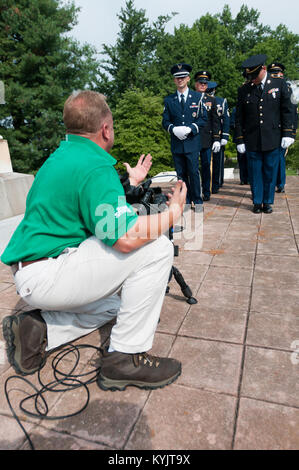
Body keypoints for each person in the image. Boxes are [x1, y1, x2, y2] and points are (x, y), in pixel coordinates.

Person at [1, 90, 187, 392]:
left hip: (33, 271)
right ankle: (125, 358)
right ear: (106, 128)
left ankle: (37, 331)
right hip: (49, 273)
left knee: (117, 305)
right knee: (157, 246)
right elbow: (125, 238)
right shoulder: (95, 165)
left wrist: (130, 184)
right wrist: (174, 211)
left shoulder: (61, 155)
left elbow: (94, 211)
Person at [235, 54, 294, 213]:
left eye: (255, 75)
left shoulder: (279, 84)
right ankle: (257, 201)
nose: (252, 79)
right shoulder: (244, 90)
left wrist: (288, 133)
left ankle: (267, 202)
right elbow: (239, 117)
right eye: (250, 76)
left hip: (272, 137)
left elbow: (287, 110)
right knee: (255, 172)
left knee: (270, 170)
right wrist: (239, 139)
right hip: (252, 138)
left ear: (264, 69)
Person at [162, 63, 207, 210]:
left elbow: (203, 119)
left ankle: (198, 201)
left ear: (188, 78)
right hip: (177, 143)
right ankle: (186, 202)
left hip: (192, 142)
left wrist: (190, 128)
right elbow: (165, 121)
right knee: (180, 175)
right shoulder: (169, 100)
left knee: (193, 173)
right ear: (174, 80)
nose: (180, 80)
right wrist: (173, 129)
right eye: (177, 78)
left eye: (183, 77)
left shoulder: (198, 97)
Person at [268, 61, 298, 193]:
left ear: (282, 74)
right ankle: (271, 183)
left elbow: (292, 112)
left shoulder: (289, 88)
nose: (275, 75)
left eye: (277, 73)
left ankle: (280, 183)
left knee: (279, 157)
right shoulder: (266, 87)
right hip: (270, 129)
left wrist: (291, 133)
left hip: (283, 129)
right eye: (273, 73)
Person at [194, 70, 221, 201]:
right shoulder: (190, 97)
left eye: (205, 83)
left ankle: (206, 192)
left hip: (206, 139)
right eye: (200, 83)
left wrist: (216, 138)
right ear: (195, 84)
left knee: (206, 166)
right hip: (192, 138)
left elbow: (215, 121)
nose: (203, 85)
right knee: (192, 167)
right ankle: (193, 192)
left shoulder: (212, 100)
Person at [206, 81, 230, 193]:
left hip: (218, 135)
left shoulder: (221, 101)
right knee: (206, 162)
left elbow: (225, 119)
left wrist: (225, 135)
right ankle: (207, 184)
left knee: (218, 161)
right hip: (205, 135)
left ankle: (217, 183)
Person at [230, 106, 249, 185]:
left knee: (250, 159)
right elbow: (232, 123)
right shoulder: (236, 109)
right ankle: (243, 178)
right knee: (241, 159)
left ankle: (249, 178)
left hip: (250, 137)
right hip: (240, 137)